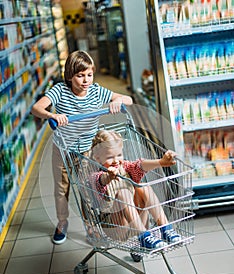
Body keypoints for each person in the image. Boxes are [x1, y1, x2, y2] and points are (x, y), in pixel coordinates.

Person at [31, 50, 133, 244]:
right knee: (62, 189)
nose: (86, 80)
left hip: (87, 151)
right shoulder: (60, 90)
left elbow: (129, 100)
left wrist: (118, 100)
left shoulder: (96, 91)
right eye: (80, 75)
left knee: (88, 188)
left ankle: (90, 226)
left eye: (89, 74)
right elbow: (37, 108)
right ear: (70, 76)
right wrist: (52, 116)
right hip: (62, 149)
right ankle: (62, 222)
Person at [88, 129, 181, 249]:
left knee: (143, 187)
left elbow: (139, 166)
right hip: (116, 227)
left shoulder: (124, 167)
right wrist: (109, 176)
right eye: (110, 157)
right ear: (97, 158)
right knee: (123, 193)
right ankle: (144, 237)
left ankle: (166, 229)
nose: (116, 160)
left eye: (119, 155)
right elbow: (101, 180)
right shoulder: (95, 177)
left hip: (137, 221)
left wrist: (161, 162)